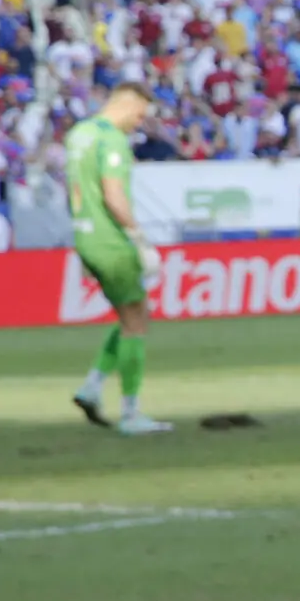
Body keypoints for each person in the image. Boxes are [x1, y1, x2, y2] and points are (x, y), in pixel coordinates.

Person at [67, 82, 172, 435]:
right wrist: (137, 236)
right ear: (126, 106)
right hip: (111, 240)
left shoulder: (79, 134)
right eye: (139, 115)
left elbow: (77, 189)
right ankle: (131, 414)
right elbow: (113, 195)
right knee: (136, 322)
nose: (139, 123)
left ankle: (92, 388)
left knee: (133, 313)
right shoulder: (112, 140)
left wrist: (83, 236)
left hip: (87, 236)